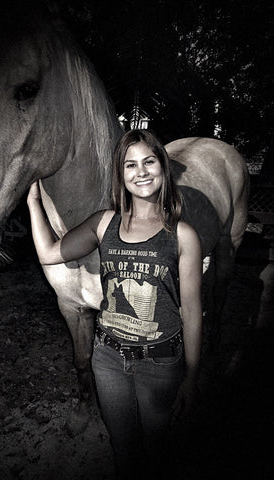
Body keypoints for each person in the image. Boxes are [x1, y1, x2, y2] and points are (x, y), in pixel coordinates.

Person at [27, 129, 202, 479]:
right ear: (120, 175)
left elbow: (192, 312)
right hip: (107, 360)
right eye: (130, 165)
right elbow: (49, 253)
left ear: (163, 168)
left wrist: (192, 375)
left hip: (161, 362)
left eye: (149, 162)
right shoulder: (104, 222)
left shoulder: (182, 235)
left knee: (157, 448)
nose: (141, 171)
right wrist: (33, 203)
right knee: (122, 448)